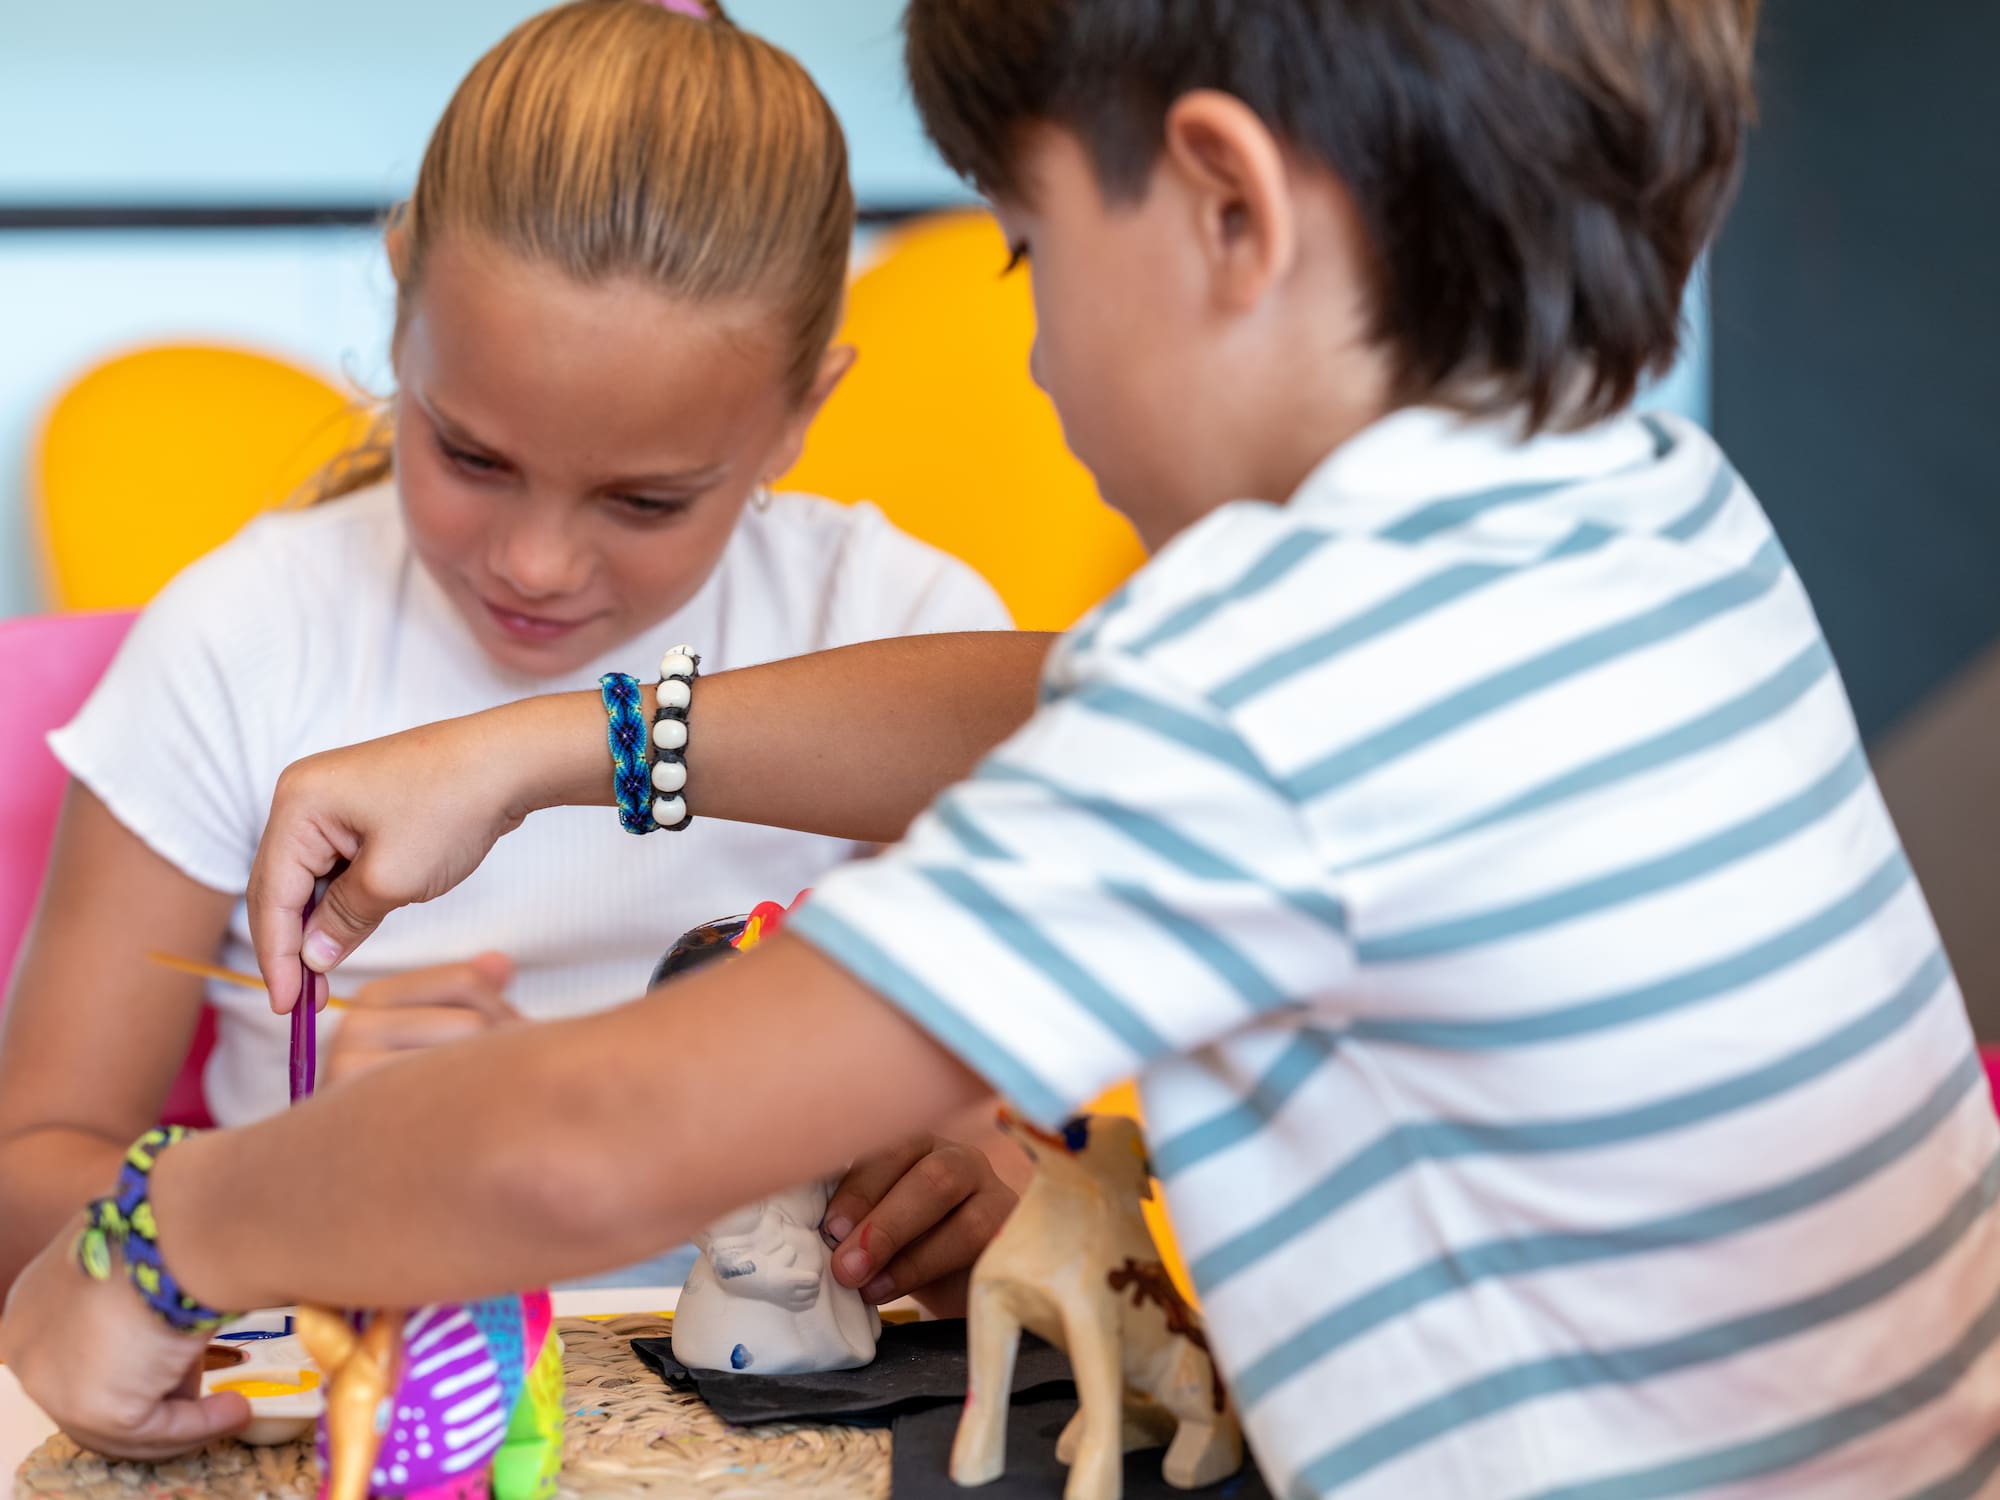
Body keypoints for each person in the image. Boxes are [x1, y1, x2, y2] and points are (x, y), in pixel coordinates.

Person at [15, 0, 2000, 1494]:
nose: (1038, 350)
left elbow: (580, 1144)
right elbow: (1054, 694)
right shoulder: (1635, 511)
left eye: (1032, 249)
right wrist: (555, 747)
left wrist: (167, 1225)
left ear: (1224, 207)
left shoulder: (1267, 688)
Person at [0, 0, 1018, 1310]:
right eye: (470, 455)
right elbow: (25, 1175)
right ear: (401, 301)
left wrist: (987, 1175)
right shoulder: (239, 640)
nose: (535, 564)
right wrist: (301, 1166)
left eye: (646, 501)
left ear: (800, 413)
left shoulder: (904, 624)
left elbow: (1038, 1112)